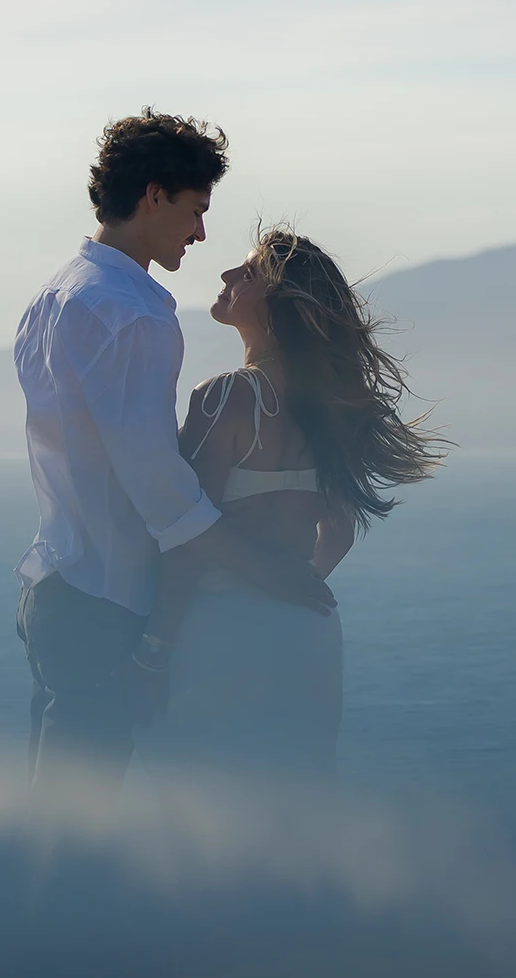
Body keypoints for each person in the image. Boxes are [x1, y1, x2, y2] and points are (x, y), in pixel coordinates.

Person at [13, 111, 335, 807]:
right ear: (154, 195)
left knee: (49, 816)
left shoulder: (53, 296)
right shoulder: (131, 312)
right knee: (76, 831)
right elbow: (164, 496)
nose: (199, 233)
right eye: (195, 210)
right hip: (104, 603)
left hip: (55, 584)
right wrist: (273, 577)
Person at [140, 226, 446, 782]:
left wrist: (155, 647)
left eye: (249, 273)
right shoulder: (330, 405)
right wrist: (294, 586)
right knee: (296, 819)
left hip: (220, 637)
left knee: (207, 822)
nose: (228, 277)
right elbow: (341, 534)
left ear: (280, 305)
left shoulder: (229, 396)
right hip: (307, 638)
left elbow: (187, 536)